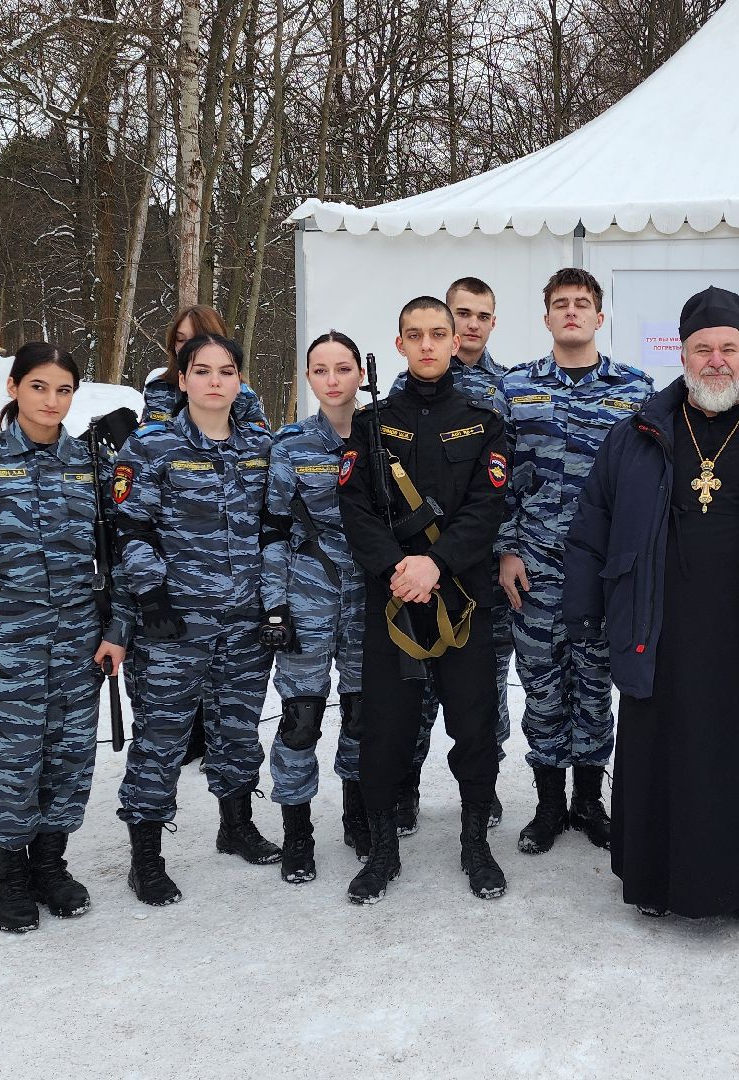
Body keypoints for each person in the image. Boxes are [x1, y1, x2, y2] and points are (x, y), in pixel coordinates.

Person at [564, 286, 739, 930]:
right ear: (683, 354)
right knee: (664, 749)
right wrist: (585, 613)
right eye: (703, 348)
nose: (717, 360)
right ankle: (657, 879)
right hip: (661, 624)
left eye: (729, 347)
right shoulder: (636, 433)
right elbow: (591, 527)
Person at [0, 343, 126, 932]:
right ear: (14, 388)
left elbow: (117, 554)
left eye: (64, 389)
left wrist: (117, 628)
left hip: (76, 643)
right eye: (39, 387)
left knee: (68, 759)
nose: (51, 401)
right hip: (5, 642)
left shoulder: (90, 464)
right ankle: (7, 875)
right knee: (10, 763)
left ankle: (49, 864)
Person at [338, 296, 510, 904]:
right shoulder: (370, 423)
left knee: (475, 726)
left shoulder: (484, 420)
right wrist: (398, 568)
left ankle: (474, 842)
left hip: (464, 598)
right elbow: (355, 510)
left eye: (440, 332)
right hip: (393, 601)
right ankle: (383, 848)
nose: (430, 344)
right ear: (399, 343)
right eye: (417, 335)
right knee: (384, 729)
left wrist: (434, 563)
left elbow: (486, 509)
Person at [113, 332, 280, 906]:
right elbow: (127, 528)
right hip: (173, 625)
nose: (215, 381)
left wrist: (274, 602)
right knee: (160, 738)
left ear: (239, 381)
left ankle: (235, 825)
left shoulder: (261, 446)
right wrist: (150, 596)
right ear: (181, 380)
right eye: (202, 371)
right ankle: (147, 857)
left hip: (245, 621)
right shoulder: (150, 446)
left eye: (226, 371)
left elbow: (275, 528)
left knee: (237, 729)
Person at [499, 268, 654, 854]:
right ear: (545, 318)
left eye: (582, 304)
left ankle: (589, 800)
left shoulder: (636, 391)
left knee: (594, 686)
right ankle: (548, 805)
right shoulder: (514, 390)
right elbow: (498, 482)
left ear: (599, 316)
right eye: (560, 304)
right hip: (533, 568)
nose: (571, 313)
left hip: (604, 572)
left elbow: (646, 486)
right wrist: (508, 549)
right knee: (541, 686)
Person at [261, 331, 422, 879]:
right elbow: (275, 531)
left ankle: (358, 817)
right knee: (301, 719)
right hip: (306, 600)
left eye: (343, 369)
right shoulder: (290, 446)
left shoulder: (386, 438)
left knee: (361, 716)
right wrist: (274, 605)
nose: (332, 380)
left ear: (360, 375)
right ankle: (297, 831)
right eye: (321, 370)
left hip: (370, 599)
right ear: (309, 378)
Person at [390, 277, 514, 832]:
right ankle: (405, 790)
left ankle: (480, 793)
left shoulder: (505, 390)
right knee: (413, 698)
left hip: (476, 570)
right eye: (458, 314)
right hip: (411, 573)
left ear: (492, 323)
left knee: (483, 698)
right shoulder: (402, 389)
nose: (468, 325)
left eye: (480, 316)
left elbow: (505, 483)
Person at [141, 305, 269, 428]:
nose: (186, 347)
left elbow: (260, 445)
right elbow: (147, 440)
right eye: (180, 340)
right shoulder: (158, 388)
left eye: (197, 340)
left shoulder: (241, 396)